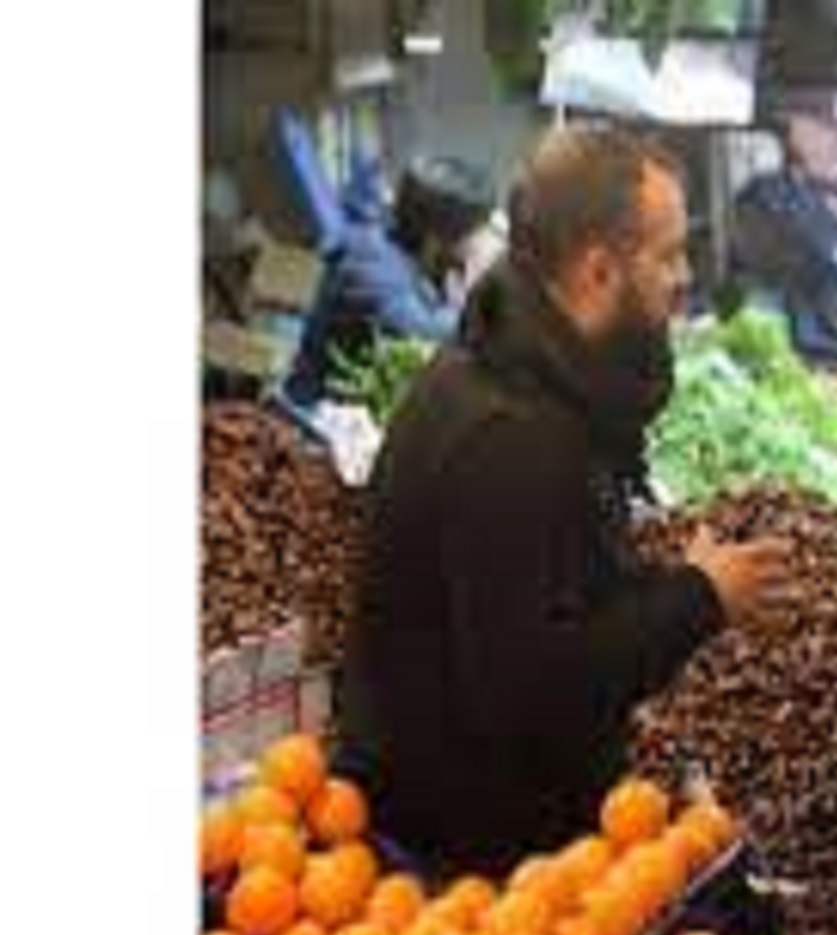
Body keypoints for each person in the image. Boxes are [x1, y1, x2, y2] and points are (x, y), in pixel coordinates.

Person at [339, 125, 791, 876]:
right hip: (465, 865)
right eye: (670, 253)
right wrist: (699, 598)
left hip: (499, 822)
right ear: (598, 270)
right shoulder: (511, 437)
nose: (685, 276)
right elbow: (533, 688)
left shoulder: (530, 368)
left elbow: (551, 603)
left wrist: (671, 583)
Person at [292, 155, 497, 403]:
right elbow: (420, 331)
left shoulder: (412, 254)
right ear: (435, 241)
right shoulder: (369, 265)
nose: (477, 245)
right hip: (315, 418)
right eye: (475, 235)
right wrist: (473, 297)